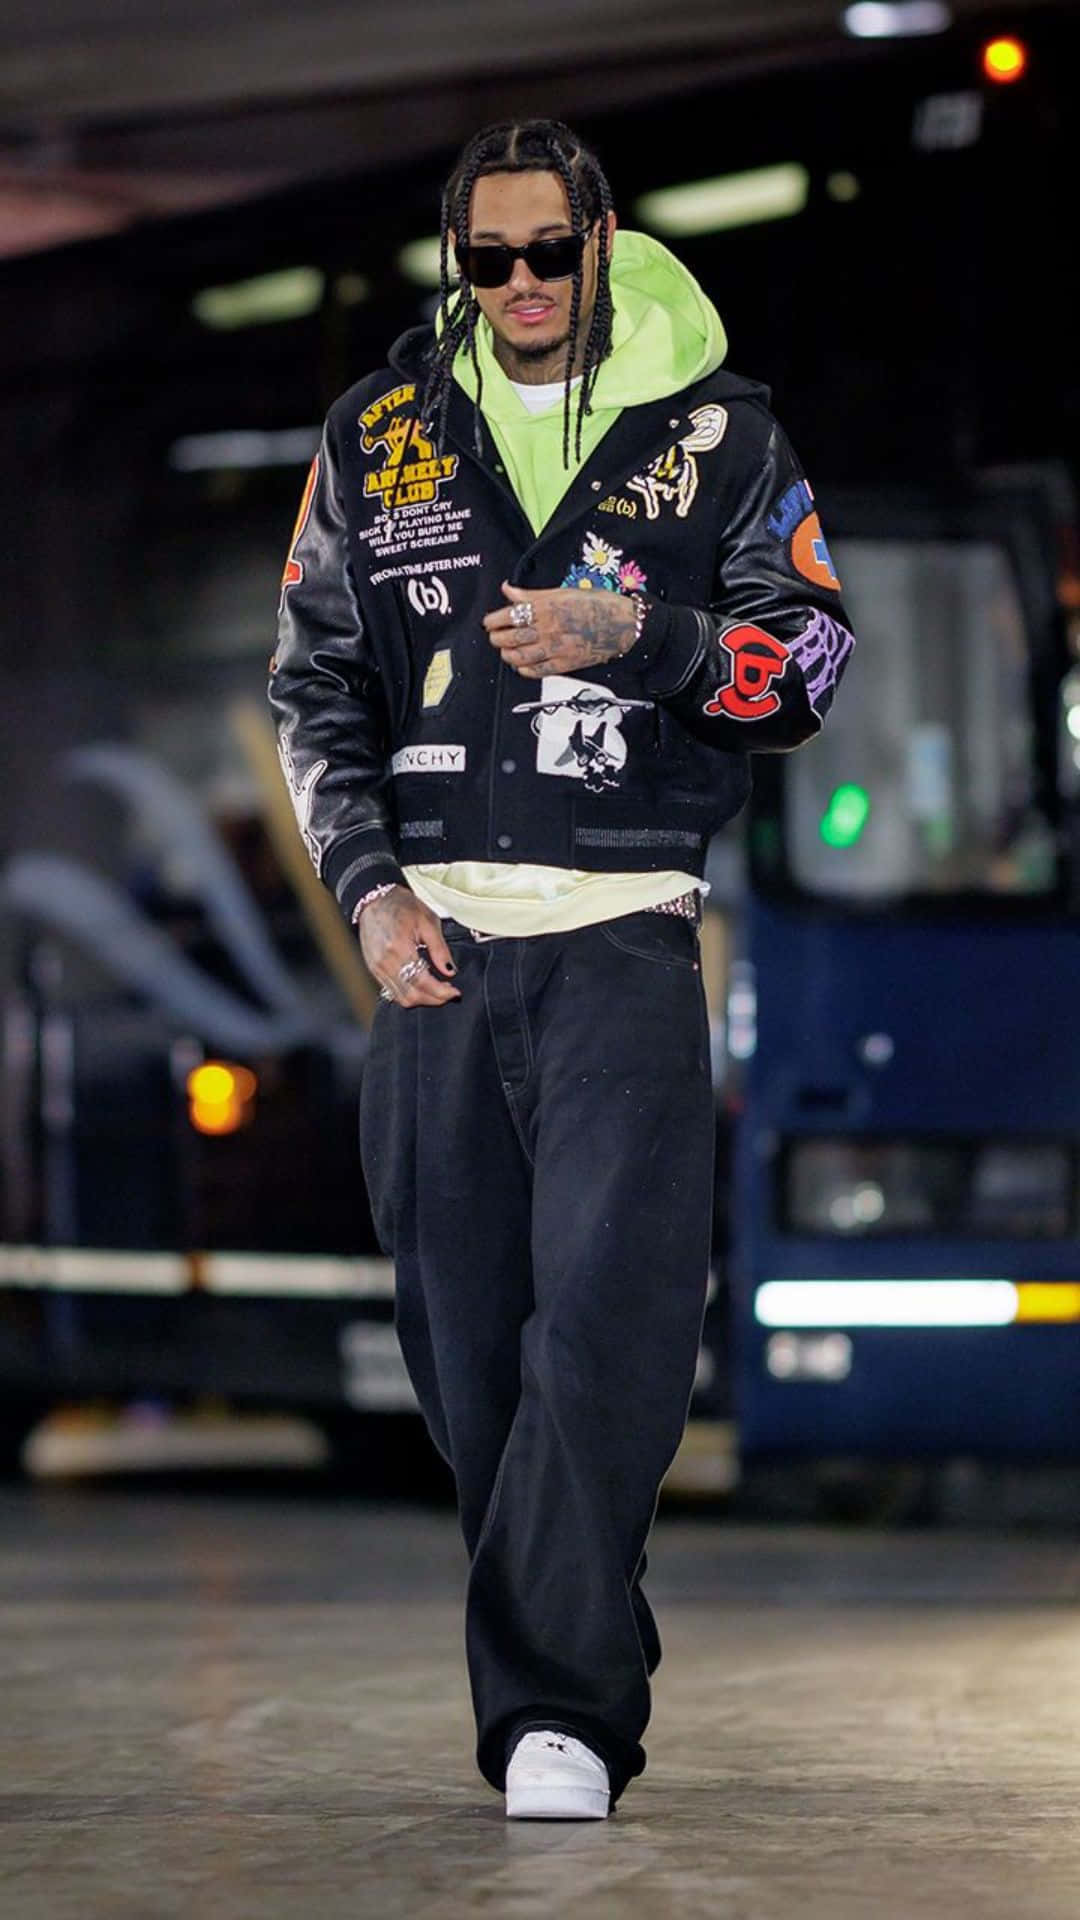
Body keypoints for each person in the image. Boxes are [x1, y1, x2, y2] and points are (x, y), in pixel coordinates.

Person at [270, 117, 854, 1819]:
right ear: (460, 264)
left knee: (606, 1332)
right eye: (488, 259)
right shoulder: (376, 437)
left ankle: (561, 1720)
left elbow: (812, 665)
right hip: (434, 952)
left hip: (622, 933)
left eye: (547, 251)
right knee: (470, 1365)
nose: (520, 284)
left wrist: (646, 639)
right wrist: (368, 892)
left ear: (601, 240)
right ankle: (576, 1637)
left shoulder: (722, 437)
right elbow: (316, 686)